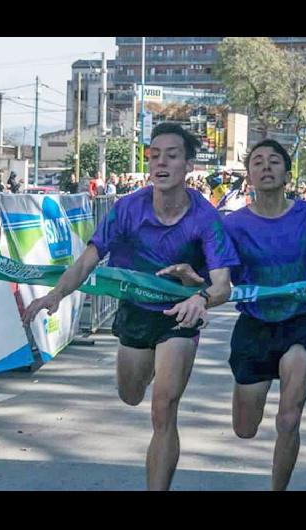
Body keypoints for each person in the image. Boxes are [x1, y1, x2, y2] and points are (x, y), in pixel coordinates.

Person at [22, 123, 239, 490]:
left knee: (163, 408)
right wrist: (55, 294)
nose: (161, 163)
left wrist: (199, 294)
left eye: (171, 156)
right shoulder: (127, 209)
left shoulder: (206, 218)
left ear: (187, 165)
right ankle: (149, 368)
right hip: (136, 313)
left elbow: (223, 286)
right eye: (154, 156)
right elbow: (88, 260)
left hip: (179, 316)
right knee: (131, 394)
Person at [165, 139, 306, 490]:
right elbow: (215, 278)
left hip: (299, 325)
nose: (266, 167)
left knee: (289, 419)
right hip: (253, 328)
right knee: (245, 428)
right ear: (249, 175)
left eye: (273, 161)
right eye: (257, 163)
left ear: (287, 171)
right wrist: (193, 278)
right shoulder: (234, 225)